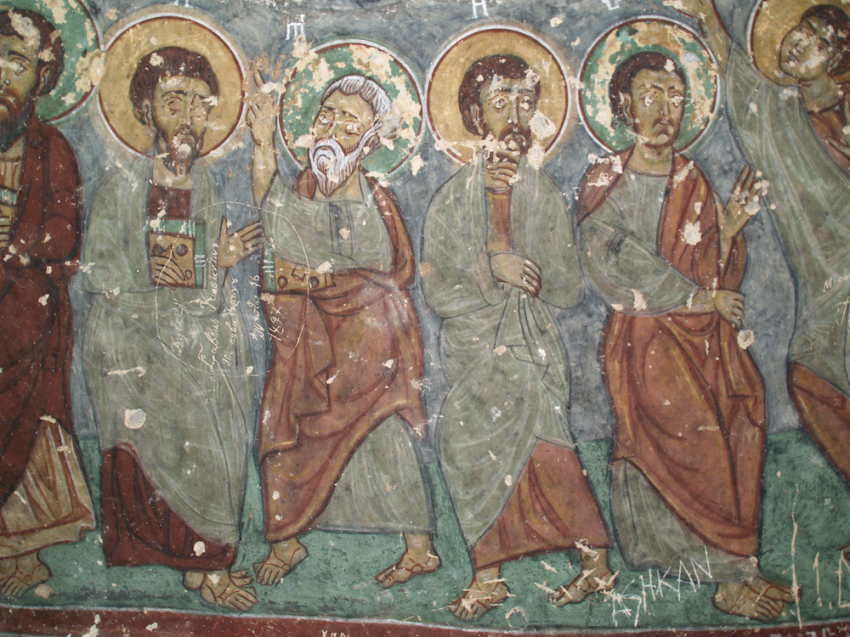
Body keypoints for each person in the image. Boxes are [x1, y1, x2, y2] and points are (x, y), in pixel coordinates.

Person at [577, 51, 795, 622]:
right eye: (651, 96)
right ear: (624, 105)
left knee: (740, 414)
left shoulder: (691, 176)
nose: (665, 110)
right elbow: (610, 260)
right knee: (691, 439)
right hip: (646, 342)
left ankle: (723, 561)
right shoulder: (608, 178)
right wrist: (700, 297)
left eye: (676, 98)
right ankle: (725, 577)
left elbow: (713, 273)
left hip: (705, 339)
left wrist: (727, 231)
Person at [421, 54, 614, 621]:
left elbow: (570, 286)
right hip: (474, 353)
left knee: (550, 452)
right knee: (468, 452)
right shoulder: (451, 199)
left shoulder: (545, 194)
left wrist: (527, 270)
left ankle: (596, 567)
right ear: (476, 114)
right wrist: (490, 269)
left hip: (529, 349)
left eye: (525, 101)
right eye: (500, 101)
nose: (514, 113)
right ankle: (489, 578)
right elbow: (438, 288)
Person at [83, 47, 262, 610]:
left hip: (195, 338)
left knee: (219, 429)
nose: (187, 117)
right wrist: (189, 280)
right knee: (183, 431)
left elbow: (204, 278)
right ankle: (201, 567)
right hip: (135, 346)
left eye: (198, 105)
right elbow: (104, 273)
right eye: (173, 101)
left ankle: (204, 560)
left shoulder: (205, 184)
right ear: (146, 109)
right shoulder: (121, 188)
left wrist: (220, 264)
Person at [247, 73, 440, 589]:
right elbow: (275, 226)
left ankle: (419, 549)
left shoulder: (376, 196)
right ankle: (287, 541)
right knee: (282, 427)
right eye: (325, 116)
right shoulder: (301, 189)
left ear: (373, 137)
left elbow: (388, 267)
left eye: (349, 121)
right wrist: (262, 143)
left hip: (370, 345)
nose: (332, 129)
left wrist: (324, 276)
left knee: (382, 436)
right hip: (310, 345)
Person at [676, 0, 850, 565]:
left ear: (839, 55)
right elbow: (743, 84)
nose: (800, 41)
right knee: (809, 375)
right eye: (802, 27)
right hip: (828, 282)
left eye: (819, 38)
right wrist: (706, 15)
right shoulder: (780, 112)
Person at [0, 8, 94, 597]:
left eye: (15, 62)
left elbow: (67, 232)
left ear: (41, 75)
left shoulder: (51, 148)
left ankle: (25, 553)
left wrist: (17, 242)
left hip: (25, 319)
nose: (2, 74)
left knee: (30, 432)